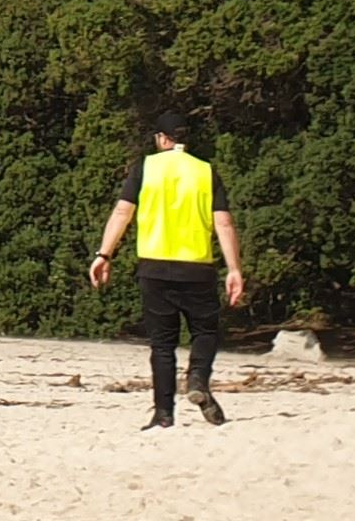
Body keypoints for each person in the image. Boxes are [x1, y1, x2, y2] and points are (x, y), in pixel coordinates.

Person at [90, 112, 244, 430]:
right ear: (185, 139)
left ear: (162, 138)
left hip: (154, 266)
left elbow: (123, 211)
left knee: (162, 345)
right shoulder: (205, 171)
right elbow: (223, 222)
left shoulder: (145, 168)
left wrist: (104, 254)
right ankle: (198, 377)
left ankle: (163, 414)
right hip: (197, 267)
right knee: (205, 331)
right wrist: (234, 269)